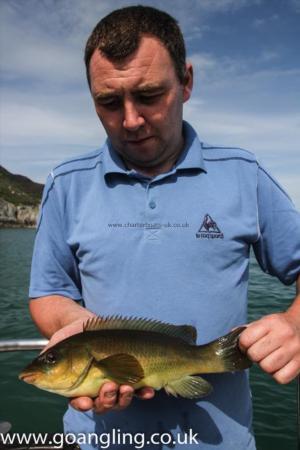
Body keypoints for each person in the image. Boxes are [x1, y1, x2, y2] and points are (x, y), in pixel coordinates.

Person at [29, 5, 300, 450]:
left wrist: (296, 324)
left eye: (150, 94)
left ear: (187, 82)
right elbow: (47, 292)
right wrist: (78, 326)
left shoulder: (244, 174)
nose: (131, 120)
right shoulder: (66, 184)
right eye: (109, 102)